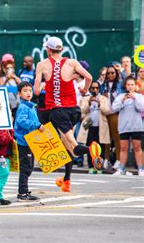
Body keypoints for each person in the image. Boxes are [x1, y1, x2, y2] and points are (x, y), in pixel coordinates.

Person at [34, 36, 102, 193]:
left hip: (58, 111)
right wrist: (85, 90)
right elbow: (89, 77)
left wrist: (45, 86)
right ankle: (66, 181)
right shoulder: (72, 62)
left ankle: (91, 150)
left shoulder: (42, 65)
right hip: (74, 111)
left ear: (48, 50)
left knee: (74, 146)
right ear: (61, 49)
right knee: (67, 146)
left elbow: (36, 91)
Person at [14, 82, 43, 198]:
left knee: (29, 167)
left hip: (31, 141)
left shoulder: (31, 106)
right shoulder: (23, 107)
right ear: (19, 94)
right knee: (25, 167)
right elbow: (22, 122)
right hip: (24, 141)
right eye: (25, 91)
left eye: (30, 90)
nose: (28, 93)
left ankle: (24, 191)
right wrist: (37, 125)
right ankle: (23, 192)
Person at [111, 76, 144, 176]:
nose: (130, 86)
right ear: (125, 86)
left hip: (136, 126)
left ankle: (141, 169)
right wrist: (123, 100)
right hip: (123, 126)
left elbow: (141, 108)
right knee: (123, 148)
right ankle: (121, 169)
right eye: (128, 84)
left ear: (135, 86)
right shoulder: (120, 96)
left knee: (137, 147)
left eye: (132, 85)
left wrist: (134, 98)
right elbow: (114, 108)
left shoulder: (139, 96)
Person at [77, 81, 111, 174]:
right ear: (90, 89)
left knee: (101, 148)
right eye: (93, 88)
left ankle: (98, 167)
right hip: (89, 126)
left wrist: (100, 104)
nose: (95, 90)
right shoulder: (85, 99)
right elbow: (82, 111)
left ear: (99, 89)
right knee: (90, 147)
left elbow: (107, 111)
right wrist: (88, 103)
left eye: (96, 88)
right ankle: (91, 166)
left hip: (100, 126)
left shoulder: (104, 98)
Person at [100, 65, 124, 170]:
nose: (110, 75)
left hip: (115, 113)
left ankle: (119, 160)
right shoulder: (103, 85)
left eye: (112, 73)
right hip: (105, 113)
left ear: (116, 73)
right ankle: (106, 159)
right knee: (106, 138)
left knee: (116, 137)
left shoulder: (120, 84)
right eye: (108, 73)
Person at [2, 54, 21, 118]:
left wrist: (14, 77)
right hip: (7, 106)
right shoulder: (2, 78)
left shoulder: (16, 78)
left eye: (11, 68)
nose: (9, 70)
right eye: (7, 68)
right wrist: (7, 79)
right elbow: (0, 88)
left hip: (16, 105)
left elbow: (22, 86)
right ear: (4, 69)